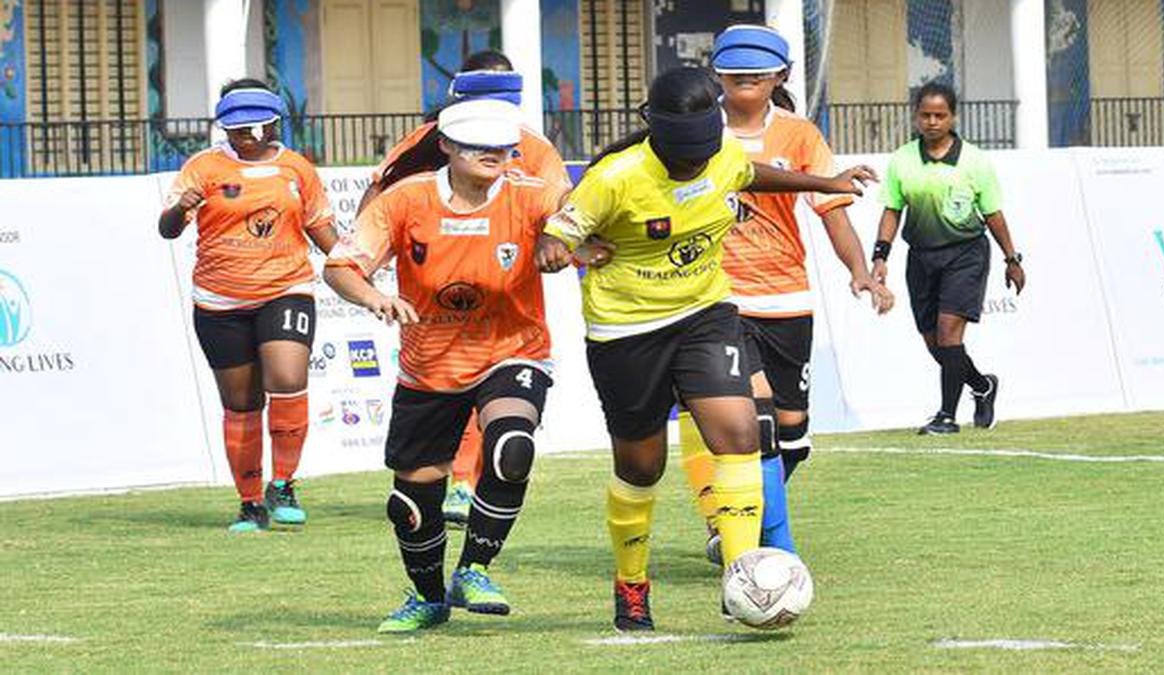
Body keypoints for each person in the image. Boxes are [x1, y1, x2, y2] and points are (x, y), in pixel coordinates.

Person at [536, 66, 878, 631]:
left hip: (705, 315)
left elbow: (751, 175)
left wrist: (826, 183)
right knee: (641, 469)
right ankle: (632, 586)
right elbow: (556, 234)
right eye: (685, 157)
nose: (697, 164)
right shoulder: (615, 177)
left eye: (704, 152)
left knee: (742, 432)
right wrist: (561, 251)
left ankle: (740, 575)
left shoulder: (720, 154)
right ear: (658, 133)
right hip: (627, 333)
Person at [325, 97, 585, 633]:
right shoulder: (404, 201)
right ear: (446, 146)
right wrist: (373, 296)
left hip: (513, 349)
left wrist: (564, 239)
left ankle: (475, 569)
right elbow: (340, 266)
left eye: (502, 145)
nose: (493, 153)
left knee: (513, 446)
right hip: (428, 367)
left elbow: (579, 211)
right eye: (478, 144)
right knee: (411, 501)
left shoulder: (530, 195)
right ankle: (426, 598)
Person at [677, 25, 894, 566]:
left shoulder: (799, 135)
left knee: (793, 436)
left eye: (759, 68)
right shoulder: (698, 131)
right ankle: (773, 547)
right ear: (717, 72)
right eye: (735, 68)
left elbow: (832, 209)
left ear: (781, 75)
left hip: (787, 299)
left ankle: (742, 512)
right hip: (716, 298)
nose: (746, 77)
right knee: (760, 423)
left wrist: (861, 272)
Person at [358, 50, 573, 529]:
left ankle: (467, 488)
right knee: (414, 492)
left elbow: (567, 208)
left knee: (506, 429)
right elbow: (378, 196)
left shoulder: (533, 146)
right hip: (432, 311)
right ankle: (433, 573)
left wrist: (554, 240)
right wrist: (371, 263)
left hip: (507, 304)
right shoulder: (423, 144)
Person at [158, 79, 337, 532]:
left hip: (285, 288)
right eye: (239, 130)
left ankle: (284, 483)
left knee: (288, 377)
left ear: (274, 123)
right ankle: (250, 502)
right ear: (226, 128)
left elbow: (322, 230)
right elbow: (168, 229)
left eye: (257, 128)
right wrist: (181, 207)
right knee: (241, 402)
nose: (249, 138)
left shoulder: (297, 169)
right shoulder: (203, 167)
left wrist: (356, 267)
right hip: (219, 301)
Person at [871, 81, 1026, 435]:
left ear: (953, 117)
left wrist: (1011, 259)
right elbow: (892, 210)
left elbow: (993, 214)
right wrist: (880, 256)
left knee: (948, 332)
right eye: (925, 115)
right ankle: (982, 385)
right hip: (921, 258)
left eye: (940, 115)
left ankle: (946, 416)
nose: (932, 122)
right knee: (934, 343)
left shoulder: (975, 161)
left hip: (966, 254)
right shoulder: (902, 160)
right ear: (916, 117)